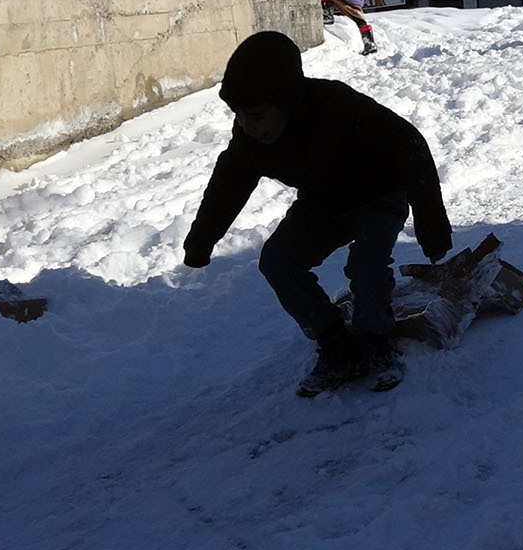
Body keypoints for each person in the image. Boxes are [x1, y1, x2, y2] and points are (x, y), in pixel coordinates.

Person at [181, 31, 453, 396]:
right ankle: (337, 343)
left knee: (366, 265)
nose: (246, 126)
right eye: (239, 116)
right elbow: (229, 183)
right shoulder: (251, 137)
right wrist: (201, 241)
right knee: (277, 261)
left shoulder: (337, 107)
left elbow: (410, 145)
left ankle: (375, 341)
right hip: (323, 204)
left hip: (379, 195)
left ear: (288, 102)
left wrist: (431, 226)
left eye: (256, 115)